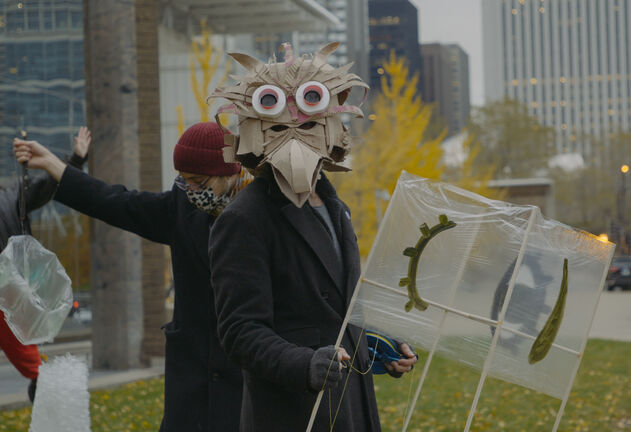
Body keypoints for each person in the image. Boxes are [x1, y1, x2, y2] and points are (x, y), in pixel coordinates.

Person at [208, 42, 417, 431]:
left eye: (307, 123)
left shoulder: (337, 209)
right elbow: (239, 331)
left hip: (351, 404)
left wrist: (376, 348)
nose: (295, 135)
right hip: (295, 411)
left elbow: (332, 315)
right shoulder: (244, 219)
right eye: (278, 125)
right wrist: (304, 363)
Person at [14, 122, 246, 431]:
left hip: (242, 377)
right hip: (191, 379)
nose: (192, 190)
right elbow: (117, 202)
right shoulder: (181, 207)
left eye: (199, 182)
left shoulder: (261, 213)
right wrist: (54, 165)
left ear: (230, 173)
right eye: (184, 181)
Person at [1, 127, 89, 402]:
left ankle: (44, 394)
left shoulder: (11, 196)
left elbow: (47, 186)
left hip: (9, 292)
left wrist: (75, 159)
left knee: (30, 359)